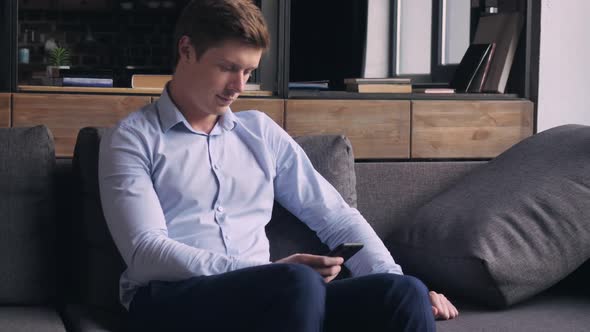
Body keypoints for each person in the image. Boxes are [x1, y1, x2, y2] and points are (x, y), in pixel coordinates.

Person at [98, 0, 458, 331]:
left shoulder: (259, 132)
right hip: (173, 299)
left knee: (403, 292)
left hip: (275, 296)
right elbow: (146, 253)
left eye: (249, 72)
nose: (238, 86)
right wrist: (268, 271)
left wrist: (391, 276)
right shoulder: (132, 139)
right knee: (297, 283)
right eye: (227, 68)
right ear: (187, 50)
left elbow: (336, 217)